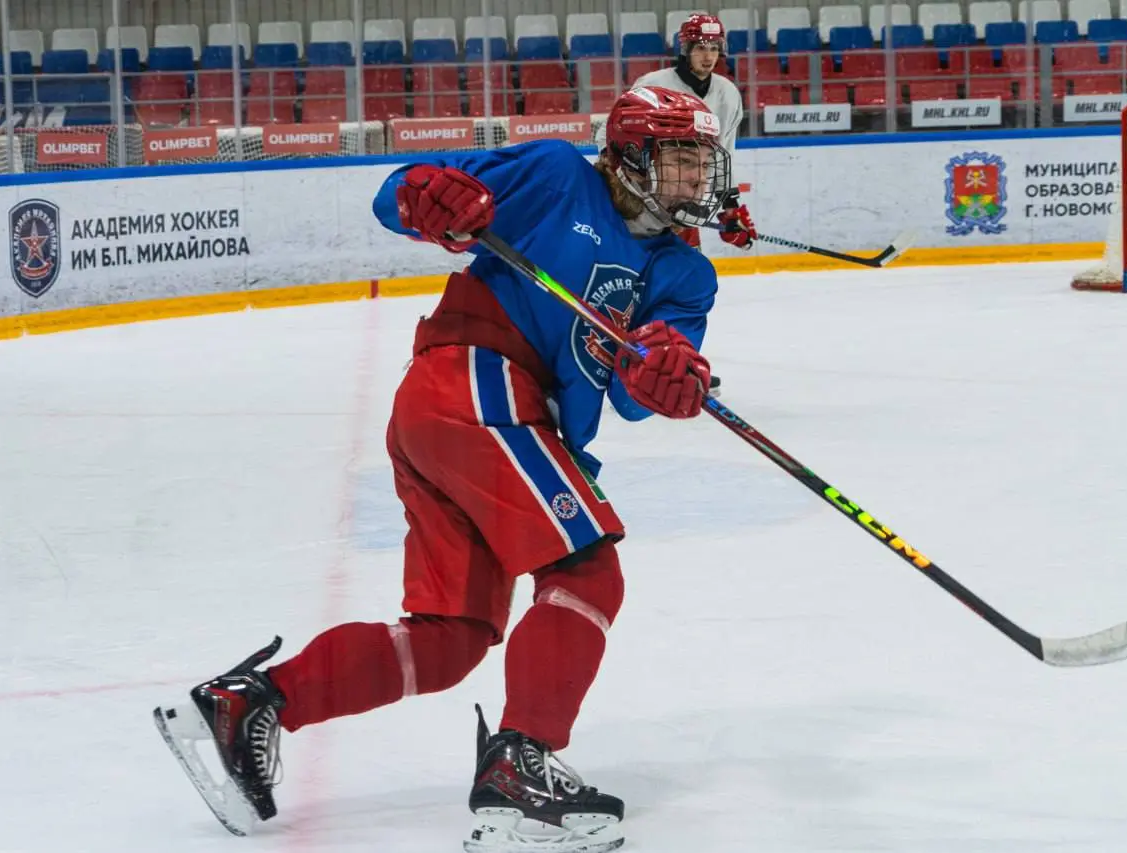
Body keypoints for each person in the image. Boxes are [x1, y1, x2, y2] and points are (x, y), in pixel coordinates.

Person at [153, 85, 730, 853]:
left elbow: (636, 397)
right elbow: (397, 193)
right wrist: (426, 193)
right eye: (680, 159)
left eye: (702, 162)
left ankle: (250, 705)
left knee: (451, 637)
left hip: (475, 416)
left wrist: (665, 376)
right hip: (473, 380)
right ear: (629, 157)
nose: (697, 179)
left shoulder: (684, 272)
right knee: (587, 570)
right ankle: (521, 768)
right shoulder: (559, 176)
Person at [634, 13, 756, 254]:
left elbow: (724, 153)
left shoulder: (727, 94)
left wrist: (730, 210)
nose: (708, 56)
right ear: (686, 49)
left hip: (687, 202)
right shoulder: (653, 85)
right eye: (700, 47)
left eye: (713, 48)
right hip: (644, 201)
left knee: (687, 278)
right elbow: (614, 133)